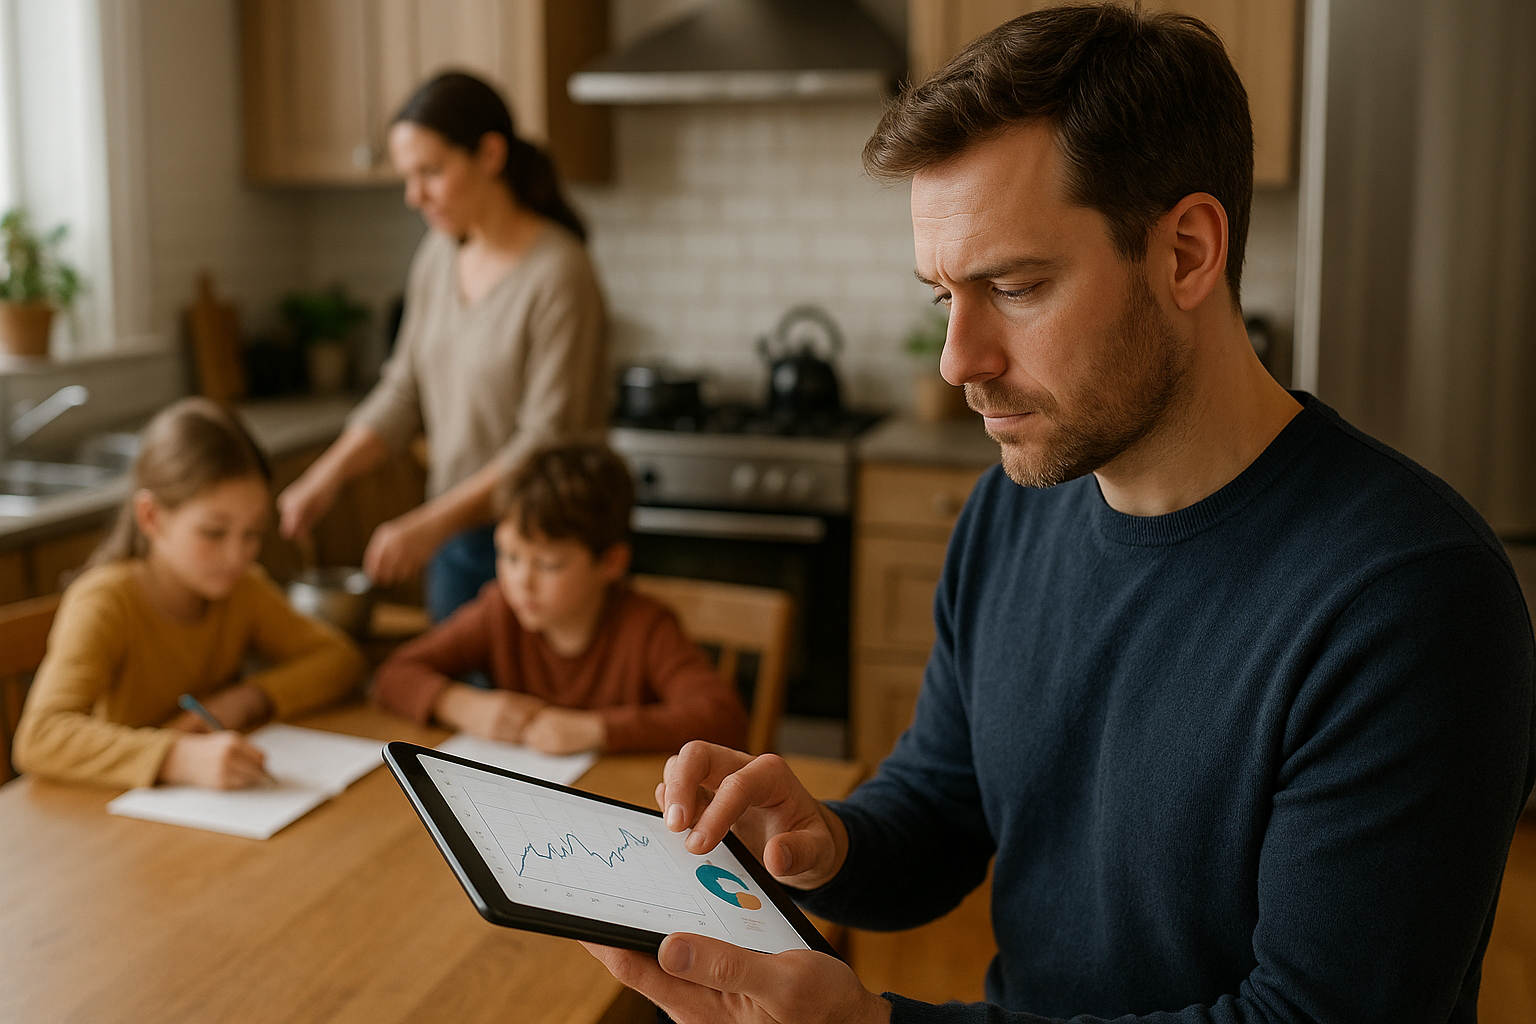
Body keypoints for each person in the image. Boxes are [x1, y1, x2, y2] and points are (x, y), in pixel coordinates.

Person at [583, 7, 1536, 1023]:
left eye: (1015, 285)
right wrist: (821, 838)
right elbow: (945, 803)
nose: (959, 361)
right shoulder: (1010, 511)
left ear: (1186, 253)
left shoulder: (1413, 600)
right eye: (944, 297)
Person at [276, 71, 609, 623]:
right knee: (448, 702)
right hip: (458, 541)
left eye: (430, 172)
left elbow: (543, 445)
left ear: (491, 154)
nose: (415, 195)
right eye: (409, 177)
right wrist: (325, 476)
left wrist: (430, 524)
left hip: (544, 554)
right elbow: (404, 389)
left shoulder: (559, 273)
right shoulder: (437, 256)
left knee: (517, 709)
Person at [13, 398, 365, 790]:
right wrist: (176, 757)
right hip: (113, 822)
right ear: (151, 517)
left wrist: (244, 700)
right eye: (213, 533)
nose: (238, 555)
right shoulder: (105, 601)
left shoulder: (243, 588)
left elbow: (340, 659)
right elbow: (39, 737)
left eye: (252, 533)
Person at [371, 441, 747, 756]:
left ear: (611, 562)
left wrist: (598, 730)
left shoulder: (645, 628)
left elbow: (723, 719)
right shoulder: (499, 610)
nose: (521, 582)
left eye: (549, 565)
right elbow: (393, 675)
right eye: (510, 556)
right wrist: (460, 705)